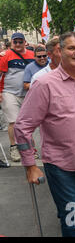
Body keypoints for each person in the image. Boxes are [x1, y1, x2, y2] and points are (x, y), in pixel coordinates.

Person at [14, 32, 75, 237]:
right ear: (59, 51)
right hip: (62, 166)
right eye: (71, 48)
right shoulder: (44, 84)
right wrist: (30, 166)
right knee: (71, 219)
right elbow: (23, 126)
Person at [0, 33, 34, 162]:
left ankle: (29, 148)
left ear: (25, 42)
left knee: (27, 123)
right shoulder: (5, 55)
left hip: (28, 94)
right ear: (12, 43)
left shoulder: (32, 55)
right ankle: (14, 147)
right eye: (16, 42)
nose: (18, 44)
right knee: (14, 122)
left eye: (20, 42)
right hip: (9, 92)